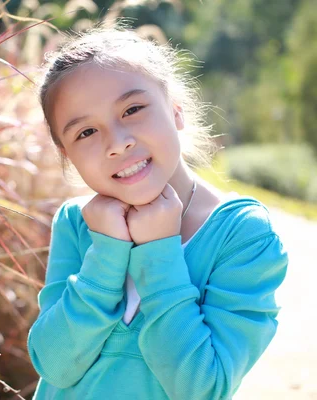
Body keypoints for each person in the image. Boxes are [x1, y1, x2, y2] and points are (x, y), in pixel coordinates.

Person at [27, 27, 288, 400]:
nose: (118, 143)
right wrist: (105, 254)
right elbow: (53, 364)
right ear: (67, 155)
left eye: (132, 110)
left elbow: (201, 389)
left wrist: (159, 251)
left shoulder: (242, 236)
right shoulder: (76, 223)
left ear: (176, 110)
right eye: (86, 132)